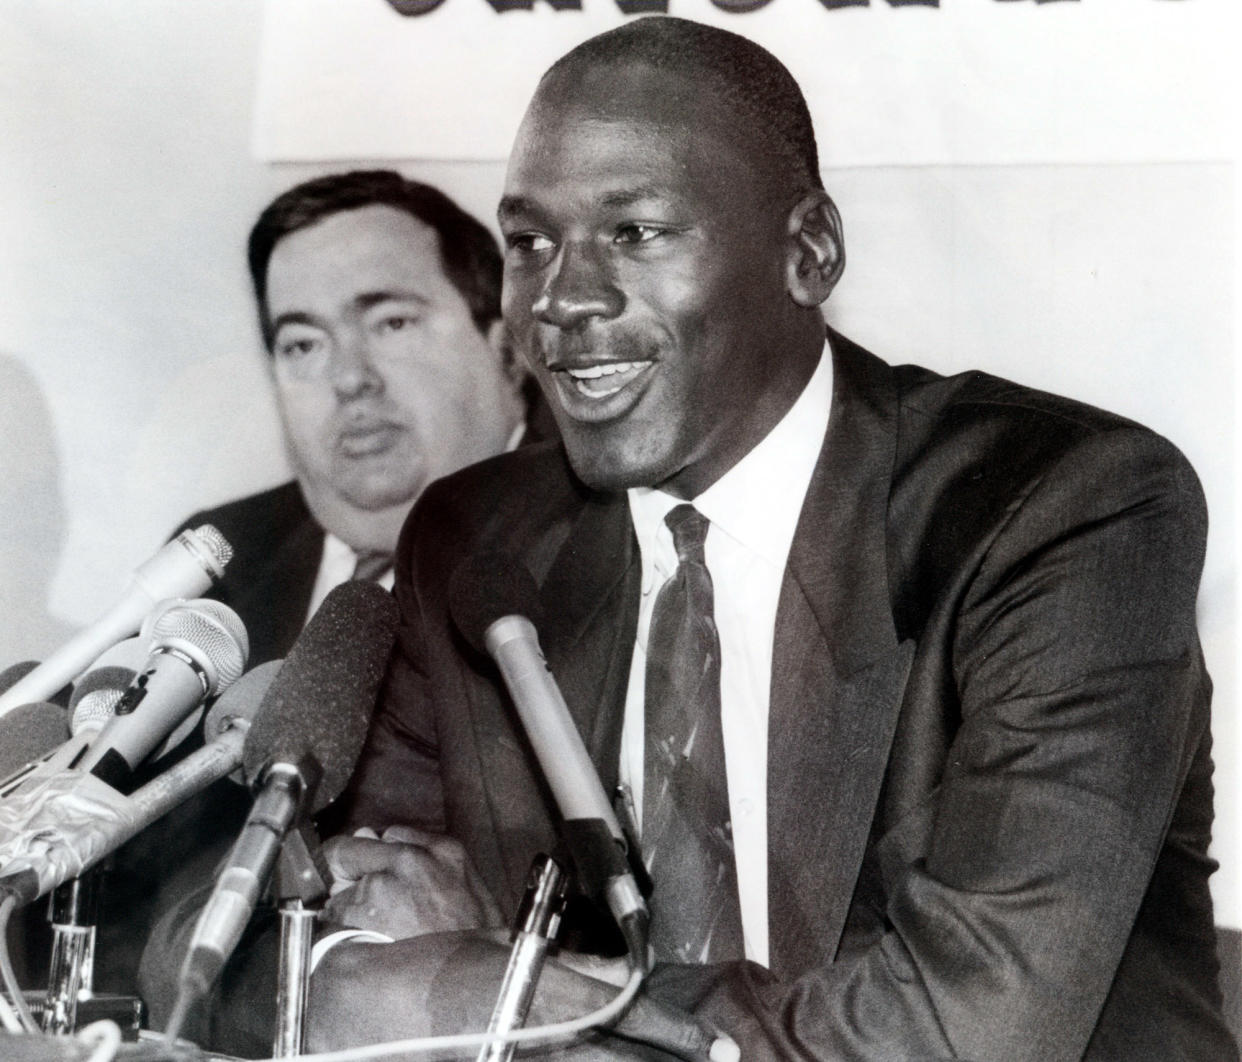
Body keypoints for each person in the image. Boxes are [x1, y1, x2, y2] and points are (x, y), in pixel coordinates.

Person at [144, 17, 1235, 1061]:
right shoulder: (479, 543)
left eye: (636, 232)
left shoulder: (1056, 510)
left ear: (808, 252)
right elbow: (242, 943)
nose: (562, 300)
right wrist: (364, 961)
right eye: (530, 241)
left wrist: (498, 992)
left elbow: (963, 1032)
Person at [95, 170, 541, 1005]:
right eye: (302, 344)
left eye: (392, 322)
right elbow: (119, 908)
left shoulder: (606, 543)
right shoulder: (219, 567)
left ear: (506, 343)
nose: (350, 378)